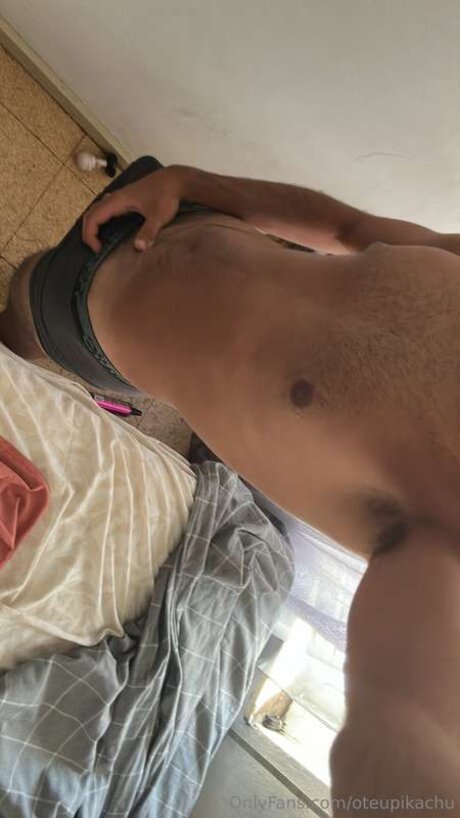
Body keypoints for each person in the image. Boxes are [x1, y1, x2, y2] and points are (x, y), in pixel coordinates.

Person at [2, 156, 460, 811]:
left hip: (100, 321)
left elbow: (402, 730)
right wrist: (189, 184)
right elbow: (349, 227)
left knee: (26, 302)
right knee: (30, 275)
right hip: (186, 218)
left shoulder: (443, 531)